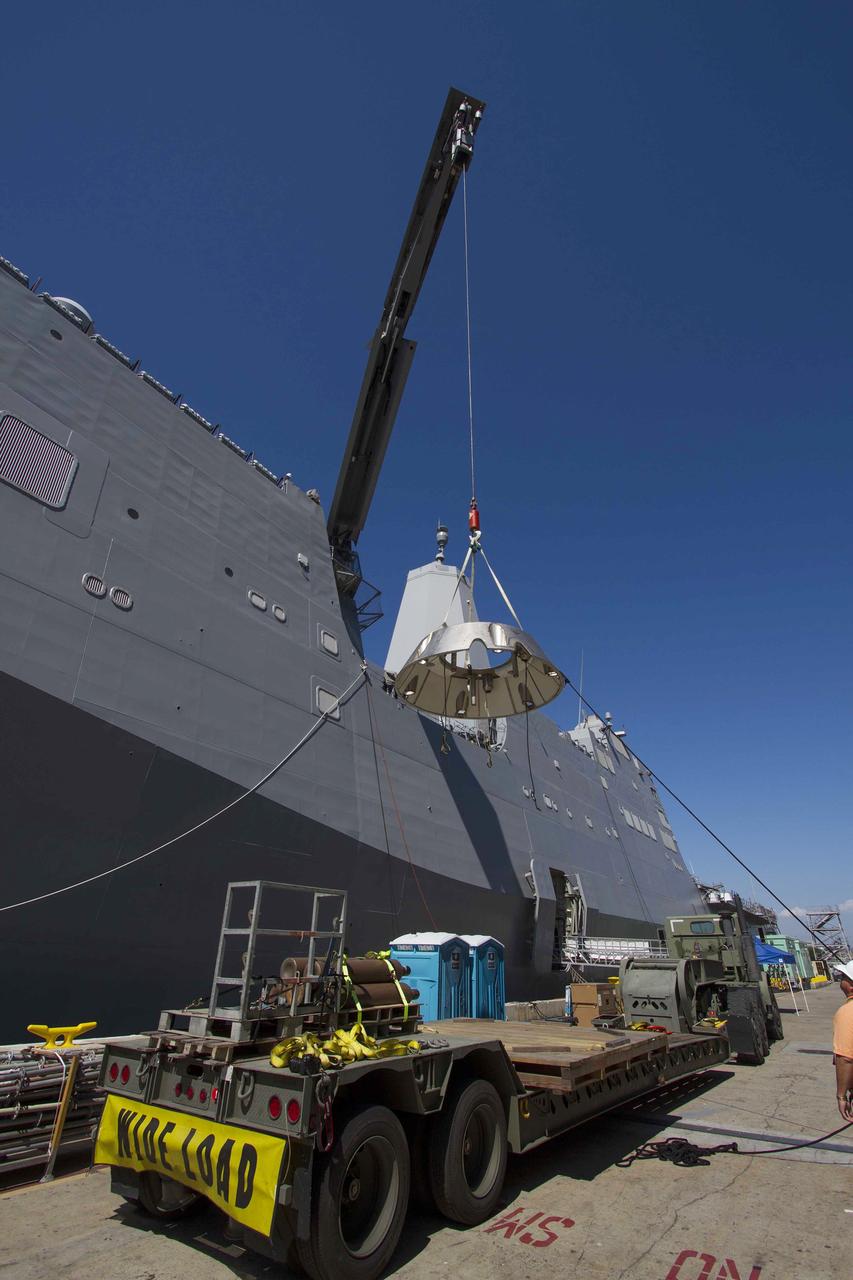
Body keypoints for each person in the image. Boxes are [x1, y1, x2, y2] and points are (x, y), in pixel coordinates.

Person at [832, 960, 853, 1122]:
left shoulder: (847, 1012)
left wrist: (841, 1096)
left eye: (844, 977)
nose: (841, 979)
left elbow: (845, 1057)